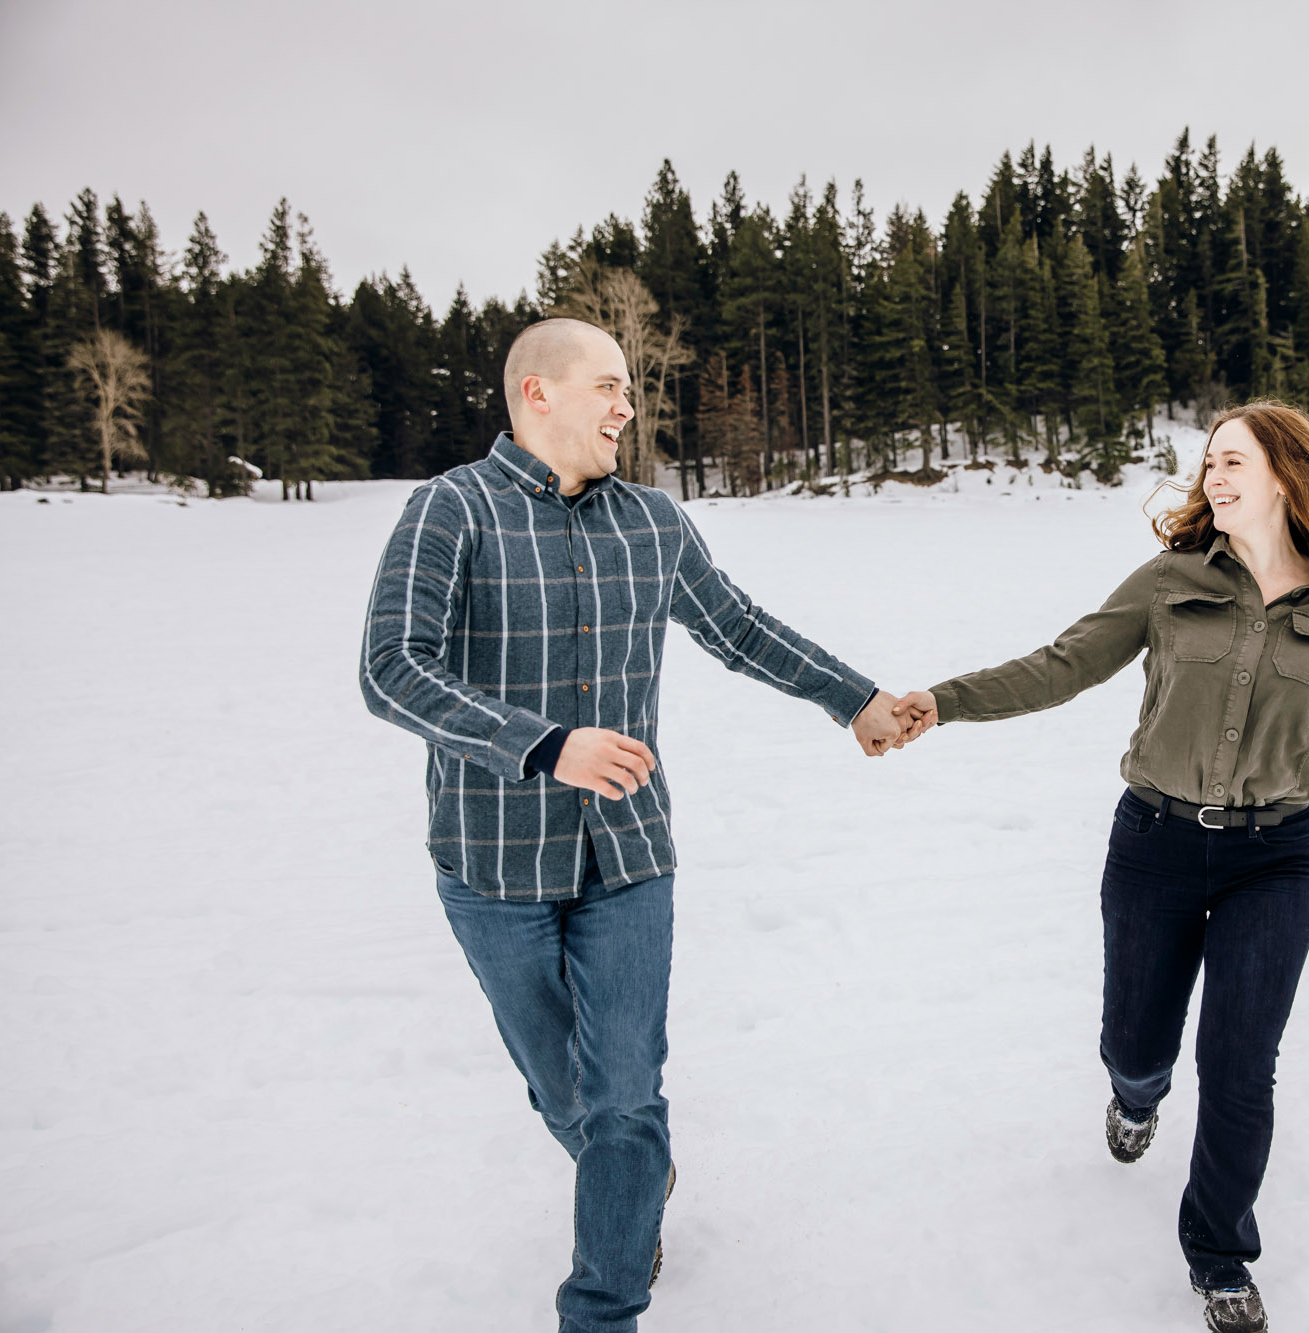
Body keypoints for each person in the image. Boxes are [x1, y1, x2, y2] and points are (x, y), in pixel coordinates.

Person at [891, 400, 1309, 1333]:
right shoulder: (1170, 578)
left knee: (1241, 1063)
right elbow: (1064, 663)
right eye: (1208, 461)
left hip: (1274, 858)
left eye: (1234, 459)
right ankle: (1135, 1098)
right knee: (1137, 1041)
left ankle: (1219, 1255)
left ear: (1285, 474)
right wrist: (944, 700)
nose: (1213, 473)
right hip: (1155, 844)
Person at [358, 317, 918, 1333]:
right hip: (491, 862)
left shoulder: (650, 522)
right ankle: (629, 1181)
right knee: (563, 1095)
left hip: (628, 857)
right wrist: (543, 742)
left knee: (623, 1096)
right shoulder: (451, 511)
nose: (628, 407)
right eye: (609, 386)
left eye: (628, 389)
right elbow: (391, 669)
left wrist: (855, 698)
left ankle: (602, 1304)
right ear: (537, 394)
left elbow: (737, 626)